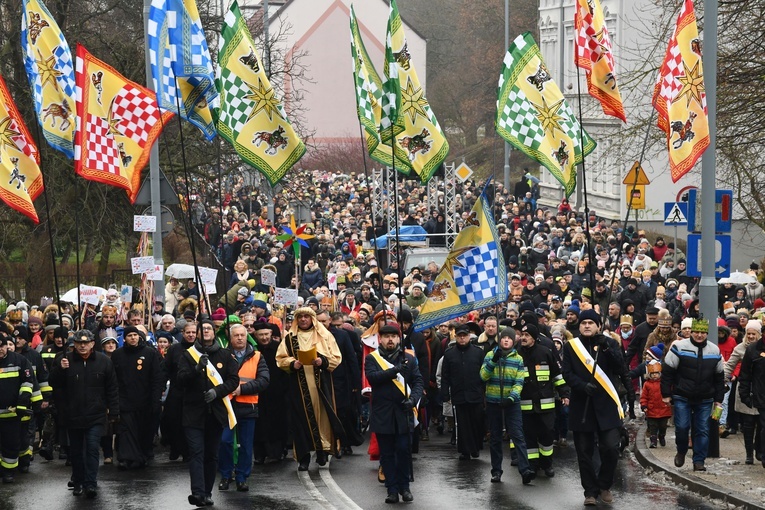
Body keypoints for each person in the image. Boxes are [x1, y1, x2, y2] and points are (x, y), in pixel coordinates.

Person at [562, 310, 630, 506]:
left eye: (591, 322)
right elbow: (566, 373)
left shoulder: (609, 343)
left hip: (607, 405)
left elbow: (620, 368)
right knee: (584, 452)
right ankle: (590, 491)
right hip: (582, 405)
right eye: (584, 323)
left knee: (610, 448)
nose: (587, 326)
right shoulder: (571, 347)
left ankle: (605, 485)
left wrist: (607, 347)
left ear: (598, 326)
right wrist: (581, 385)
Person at [176, 320, 240, 507]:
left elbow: (233, 379)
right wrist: (196, 370)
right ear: (196, 334)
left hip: (216, 413)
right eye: (202, 329)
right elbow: (180, 381)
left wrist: (217, 391)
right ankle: (197, 493)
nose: (205, 331)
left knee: (211, 455)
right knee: (196, 452)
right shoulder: (187, 355)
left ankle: (207, 492)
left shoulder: (225, 354)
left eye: (209, 329)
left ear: (214, 333)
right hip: (193, 413)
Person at [49, 330, 119, 499]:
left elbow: (112, 388)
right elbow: (53, 382)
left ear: (92, 344)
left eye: (85, 343)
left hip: (96, 414)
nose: (82, 346)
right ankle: (78, 481)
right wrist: (60, 369)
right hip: (73, 414)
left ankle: (91, 483)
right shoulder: (65, 360)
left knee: (92, 448)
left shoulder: (103, 362)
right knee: (77, 451)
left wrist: (114, 411)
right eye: (78, 343)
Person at [276, 307, 343, 471]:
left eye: (306, 316)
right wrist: (293, 363)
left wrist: (323, 362)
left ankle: (322, 452)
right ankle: (303, 457)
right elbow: (280, 358)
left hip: (321, 385)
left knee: (323, 419)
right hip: (299, 386)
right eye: (300, 317)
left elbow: (336, 357)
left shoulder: (325, 335)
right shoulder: (289, 338)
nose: (303, 319)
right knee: (300, 420)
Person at [365, 322, 423, 504]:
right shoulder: (372, 359)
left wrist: (412, 400)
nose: (390, 340)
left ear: (399, 338)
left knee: (404, 450)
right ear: (380, 339)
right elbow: (372, 378)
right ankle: (391, 489)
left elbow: (418, 382)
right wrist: (395, 371)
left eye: (393, 336)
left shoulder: (409, 358)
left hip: (403, 412)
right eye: (386, 336)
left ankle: (405, 488)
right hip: (383, 413)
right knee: (387, 453)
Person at [662, 318, 725, 472]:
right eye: (696, 331)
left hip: (705, 397)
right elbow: (667, 372)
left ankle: (699, 461)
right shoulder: (679, 347)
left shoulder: (714, 350)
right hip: (682, 395)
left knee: (702, 429)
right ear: (690, 331)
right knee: (682, 427)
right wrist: (666, 394)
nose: (699, 335)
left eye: (702, 332)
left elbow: (719, 377)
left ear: (707, 333)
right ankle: (682, 450)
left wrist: (718, 399)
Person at [479, 327, 535, 484]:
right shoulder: (491, 355)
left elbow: (519, 381)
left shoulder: (518, 359)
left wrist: (512, 397)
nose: (506, 340)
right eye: (503, 337)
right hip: (493, 402)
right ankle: (496, 471)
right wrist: (493, 361)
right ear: (499, 339)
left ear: (513, 341)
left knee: (517, 435)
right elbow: (483, 376)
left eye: (509, 338)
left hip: (511, 403)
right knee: (495, 437)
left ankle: (525, 470)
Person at [218, 323, 269, 492]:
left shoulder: (257, 356)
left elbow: (263, 380)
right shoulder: (222, 355)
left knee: (246, 445)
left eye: (242, 335)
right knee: (225, 441)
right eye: (236, 335)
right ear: (230, 338)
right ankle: (225, 475)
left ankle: (242, 477)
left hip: (248, 406)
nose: (240, 338)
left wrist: (242, 389)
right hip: (227, 406)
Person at [516, 322, 569, 478]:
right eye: (522, 335)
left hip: (546, 405)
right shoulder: (517, 354)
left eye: (527, 335)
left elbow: (557, 376)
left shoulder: (545, 353)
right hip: (525, 406)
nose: (523, 338)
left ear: (534, 338)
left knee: (547, 435)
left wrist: (564, 394)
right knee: (529, 436)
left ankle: (547, 464)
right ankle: (532, 466)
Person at [111, 325, 165, 469]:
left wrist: (155, 399)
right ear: (125, 338)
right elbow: (113, 378)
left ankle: (141, 456)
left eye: (135, 335)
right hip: (125, 400)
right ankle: (125, 457)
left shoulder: (149, 353)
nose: (133, 338)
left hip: (145, 400)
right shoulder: (118, 354)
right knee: (127, 430)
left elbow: (156, 378)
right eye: (130, 336)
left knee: (143, 430)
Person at [440, 324, 486, 460]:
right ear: (455, 337)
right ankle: (465, 450)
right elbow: (445, 376)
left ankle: (476, 448)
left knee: (476, 422)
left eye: (464, 336)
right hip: (458, 394)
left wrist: (484, 391)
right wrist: (444, 394)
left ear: (469, 337)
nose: (462, 339)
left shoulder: (478, 352)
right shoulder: (449, 354)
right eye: (459, 336)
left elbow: (484, 373)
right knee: (462, 424)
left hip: (475, 393)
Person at [0, 327, 36, 483]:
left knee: (11, 444)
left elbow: (28, 383)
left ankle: (8, 473)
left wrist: (22, 402)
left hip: (11, 414)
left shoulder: (19, 360)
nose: (0, 350)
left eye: (1, 346)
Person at [737, 319, 765, 468]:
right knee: (753, 424)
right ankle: (754, 453)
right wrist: (745, 394)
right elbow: (745, 374)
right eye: (749, 333)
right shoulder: (752, 350)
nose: (751, 336)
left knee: (761, 426)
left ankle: (760, 449)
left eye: (754, 333)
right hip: (758, 394)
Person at [640, 360, 672, 448]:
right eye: (653, 373)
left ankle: (662, 436)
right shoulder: (647, 384)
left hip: (663, 408)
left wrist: (670, 400)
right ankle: (653, 441)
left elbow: (670, 392)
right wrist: (644, 405)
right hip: (652, 410)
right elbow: (644, 396)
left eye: (657, 373)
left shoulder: (664, 383)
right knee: (653, 427)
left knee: (663, 426)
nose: (655, 375)